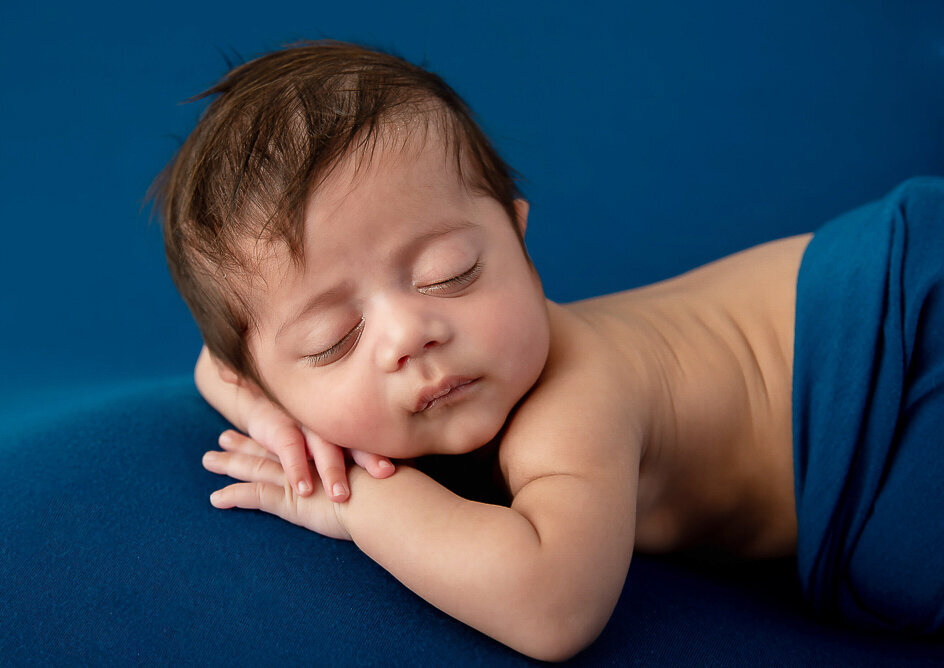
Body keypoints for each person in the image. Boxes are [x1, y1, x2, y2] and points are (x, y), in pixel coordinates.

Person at [152, 40, 944, 660]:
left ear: (520, 244)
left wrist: (356, 502)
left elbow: (552, 607)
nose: (409, 335)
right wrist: (268, 412)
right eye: (334, 341)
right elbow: (217, 364)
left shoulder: (574, 395)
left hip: (898, 364)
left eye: (449, 274)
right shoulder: (285, 371)